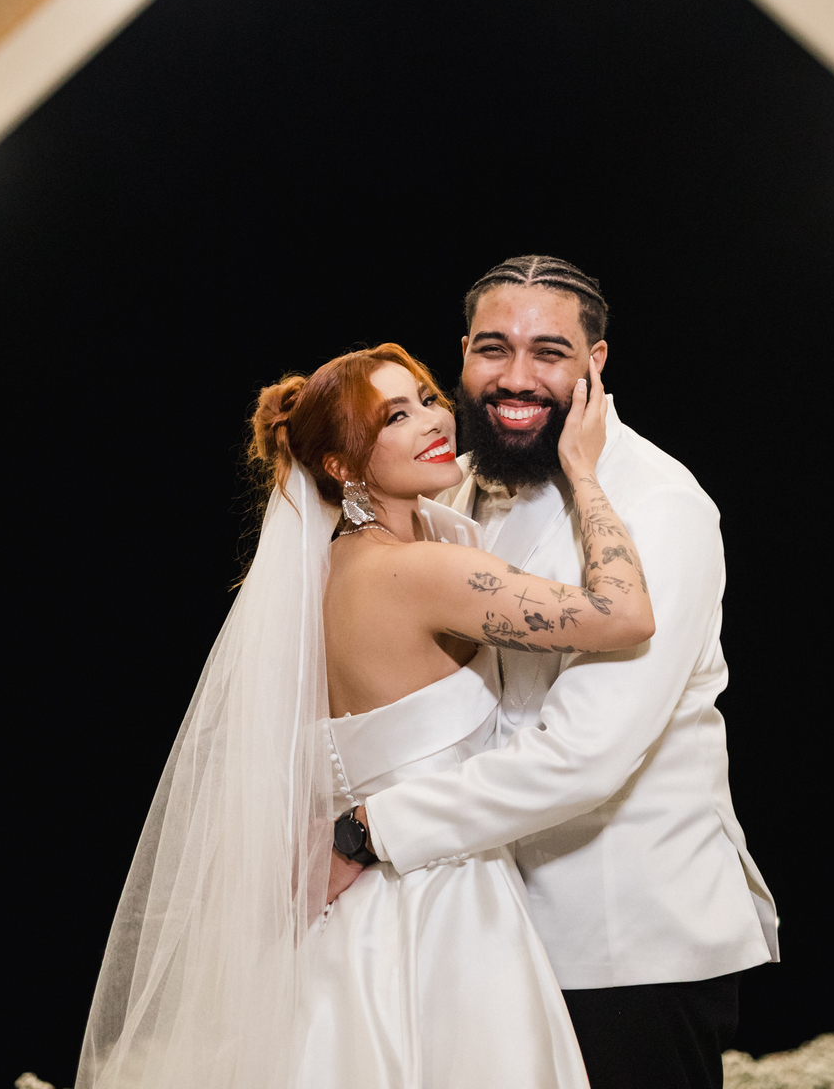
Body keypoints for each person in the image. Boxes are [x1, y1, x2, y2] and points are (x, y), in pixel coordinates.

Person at [77, 339, 654, 1088]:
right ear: (342, 466)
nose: (432, 420)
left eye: (426, 399)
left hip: (352, 925)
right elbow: (625, 615)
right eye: (393, 418)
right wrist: (584, 472)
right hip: (446, 913)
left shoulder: (327, 575)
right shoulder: (421, 572)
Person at [350, 257, 779, 1089]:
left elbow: (587, 753)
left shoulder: (659, 506)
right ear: (463, 355)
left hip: (625, 946)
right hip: (477, 930)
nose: (517, 377)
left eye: (548, 352)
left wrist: (372, 832)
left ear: (596, 362)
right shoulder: (453, 485)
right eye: (493, 348)